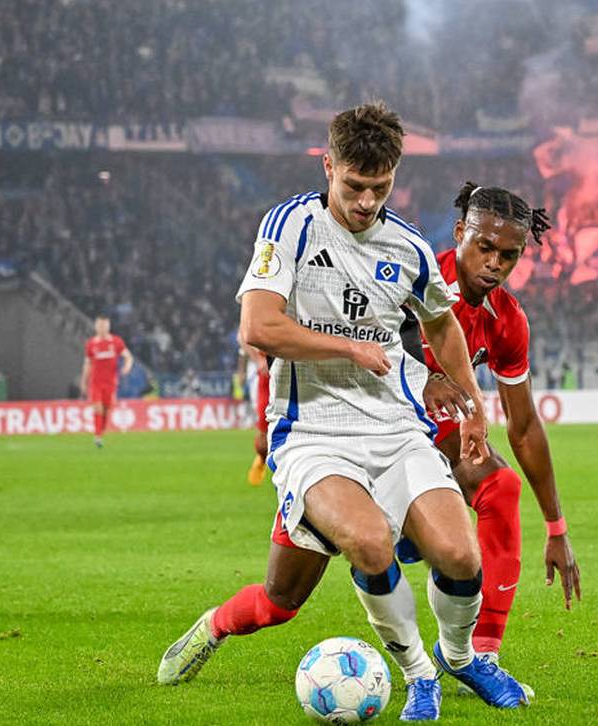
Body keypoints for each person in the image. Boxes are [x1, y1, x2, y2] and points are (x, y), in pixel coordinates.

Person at [155, 102, 528, 720]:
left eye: (379, 188)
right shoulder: (290, 227)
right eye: (354, 186)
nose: (365, 202)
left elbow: (440, 321)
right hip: (313, 432)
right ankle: (417, 675)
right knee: (347, 556)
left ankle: (459, 658)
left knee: (463, 556)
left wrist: (472, 404)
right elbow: (258, 326)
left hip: (395, 428)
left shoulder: (406, 247)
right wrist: (349, 347)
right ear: (328, 166)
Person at [391, 183, 580, 693]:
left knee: (502, 487)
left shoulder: (507, 319)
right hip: (372, 423)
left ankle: (478, 655)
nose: (494, 263)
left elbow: (523, 425)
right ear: (459, 233)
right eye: (484, 247)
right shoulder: (412, 276)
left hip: (439, 430)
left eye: (509, 255)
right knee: (284, 594)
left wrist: (556, 526)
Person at [81, 315, 133, 448]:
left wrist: (127, 366)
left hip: (111, 383)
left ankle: (101, 431)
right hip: (96, 382)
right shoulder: (91, 344)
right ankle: (97, 436)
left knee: (106, 409)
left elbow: (128, 356)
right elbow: (87, 364)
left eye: (105, 325)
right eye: (100, 325)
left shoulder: (116, 342)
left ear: (108, 326)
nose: (102, 328)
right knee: (98, 408)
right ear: (96, 326)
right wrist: (84, 380)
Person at [236, 340, 271, 485]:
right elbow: (242, 339)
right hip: (265, 375)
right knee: (263, 440)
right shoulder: (257, 321)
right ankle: (262, 458)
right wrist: (259, 360)